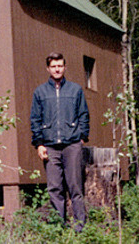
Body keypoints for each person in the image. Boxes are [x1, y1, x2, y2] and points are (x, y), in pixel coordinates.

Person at [30, 52, 89, 232]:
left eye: (60, 66)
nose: (57, 69)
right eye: (54, 66)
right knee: (55, 188)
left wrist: (81, 137)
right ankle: (59, 229)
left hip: (72, 145)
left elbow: (84, 115)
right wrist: (39, 144)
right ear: (48, 68)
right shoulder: (40, 92)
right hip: (50, 147)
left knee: (75, 187)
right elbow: (35, 119)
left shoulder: (75, 90)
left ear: (64, 67)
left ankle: (81, 229)